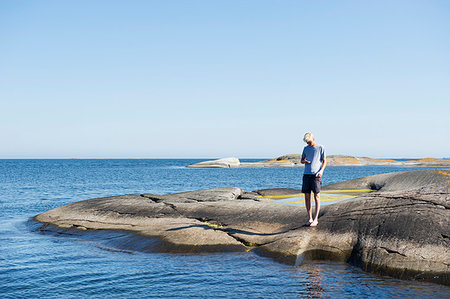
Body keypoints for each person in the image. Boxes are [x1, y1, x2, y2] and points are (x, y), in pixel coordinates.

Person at [301, 132, 326, 227]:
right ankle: (310, 218)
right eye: (307, 142)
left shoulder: (320, 147)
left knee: (316, 196)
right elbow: (301, 160)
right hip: (306, 175)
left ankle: (316, 219)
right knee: (307, 197)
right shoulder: (305, 148)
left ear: (313, 139)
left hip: (316, 176)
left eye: (309, 142)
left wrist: (321, 171)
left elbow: (324, 161)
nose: (308, 144)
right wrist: (305, 161)